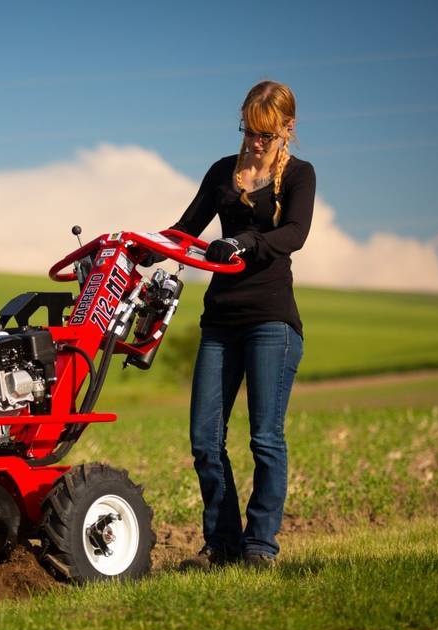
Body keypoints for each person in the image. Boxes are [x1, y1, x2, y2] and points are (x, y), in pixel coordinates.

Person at [169, 80, 315, 569]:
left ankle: (260, 546)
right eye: (249, 130)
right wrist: (139, 244)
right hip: (220, 322)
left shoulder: (298, 175)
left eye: (266, 134)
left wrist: (245, 243)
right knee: (204, 439)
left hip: (271, 321)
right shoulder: (221, 173)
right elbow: (184, 231)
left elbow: (293, 234)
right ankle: (223, 544)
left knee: (264, 438)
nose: (255, 142)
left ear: (287, 130)